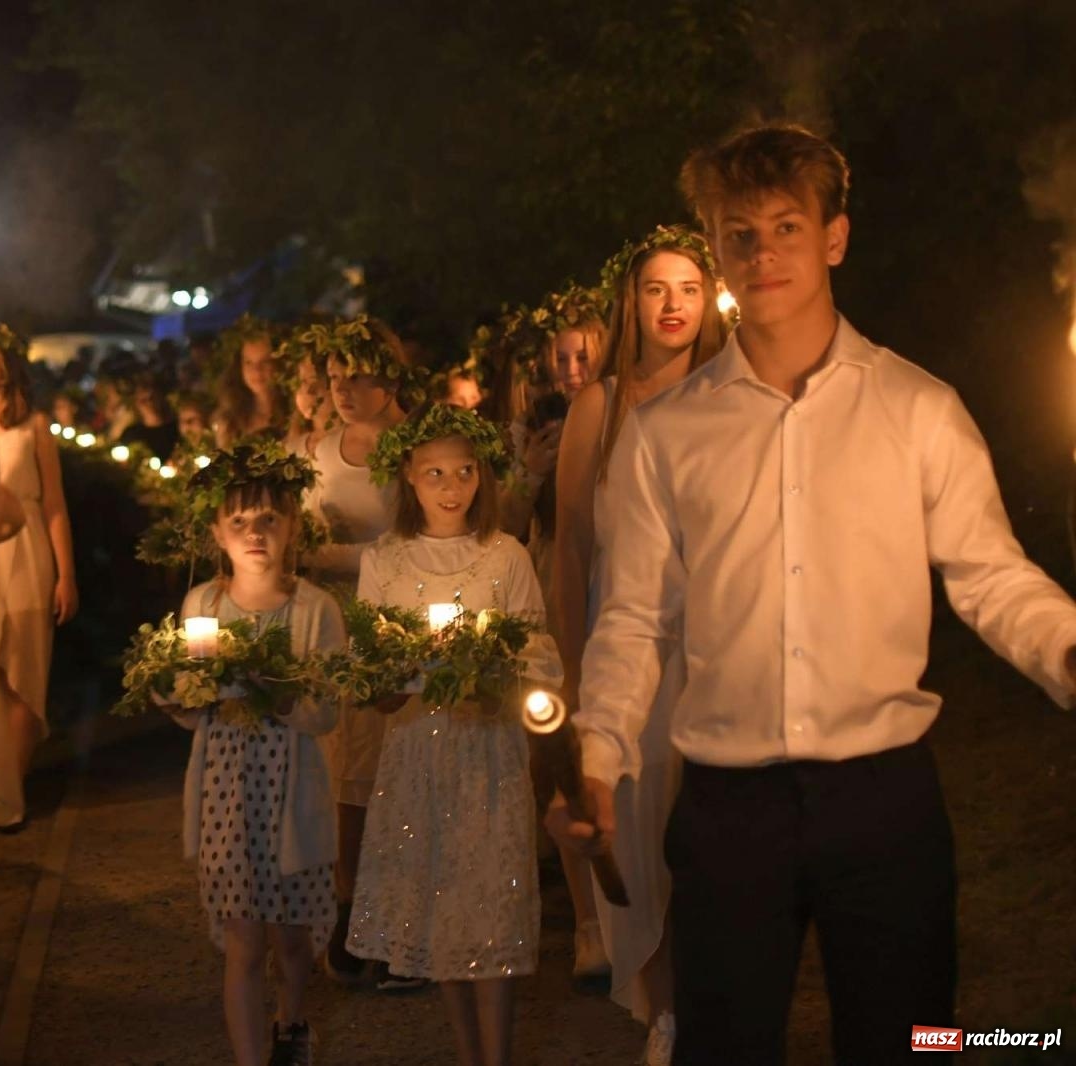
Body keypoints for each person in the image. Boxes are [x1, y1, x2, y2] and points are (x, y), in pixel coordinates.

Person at [569, 124, 1076, 1065]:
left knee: (915, 1043)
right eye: (739, 232)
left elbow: (989, 573)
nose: (763, 253)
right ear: (715, 246)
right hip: (726, 811)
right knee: (722, 1044)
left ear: (834, 237)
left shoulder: (918, 408)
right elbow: (635, 618)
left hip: (885, 798)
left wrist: (1067, 649)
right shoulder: (666, 435)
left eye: (786, 227)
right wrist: (599, 756)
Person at [551, 226, 727, 1064]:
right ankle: (661, 1016)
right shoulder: (604, 403)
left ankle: (714, 1003)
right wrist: (571, 651)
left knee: (715, 827)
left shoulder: (736, 391)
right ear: (633, 302)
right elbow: (574, 539)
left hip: (718, 639)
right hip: (627, 640)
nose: (673, 306)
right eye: (657, 289)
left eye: (689, 288)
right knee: (639, 818)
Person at [348, 403, 562, 1066]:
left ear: (482, 477)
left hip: (487, 755)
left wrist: (493, 671)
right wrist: (401, 673)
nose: (449, 486)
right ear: (408, 477)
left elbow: (538, 650)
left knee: (488, 913)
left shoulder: (505, 555)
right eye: (434, 473)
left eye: (463, 471)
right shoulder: (386, 558)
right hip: (418, 755)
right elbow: (371, 675)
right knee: (442, 912)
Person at [164, 443, 343, 1066]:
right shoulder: (203, 608)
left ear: (293, 525)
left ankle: (291, 1019)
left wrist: (277, 690)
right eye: (238, 522)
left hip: (291, 793)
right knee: (243, 940)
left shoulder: (315, 610)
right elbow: (195, 707)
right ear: (216, 531)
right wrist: (176, 697)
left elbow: (327, 710)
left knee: (291, 941)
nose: (255, 533)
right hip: (227, 792)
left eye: (269, 519)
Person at [296, 315, 414, 988]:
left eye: (356, 376)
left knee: (383, 771)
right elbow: (304, 527)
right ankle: (345, 909)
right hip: (332, 620)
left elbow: (419, 538)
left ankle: (388, 914)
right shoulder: (321, 448)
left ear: (388, 375)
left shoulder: (413, 444)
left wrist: (335, 551)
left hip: (391, 620)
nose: (341, 389)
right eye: (333, 377)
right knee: (340, 769)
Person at [0, 319, 78, 847]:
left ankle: (11, 794)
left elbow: (53, 503)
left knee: (24, 674)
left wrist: (66, 572)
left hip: (26, 550)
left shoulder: (34, 424)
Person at [215, 319, 289, 447]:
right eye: (249, 362)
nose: (256, 370)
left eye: (265, 361)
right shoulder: (230, 421)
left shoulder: (295, 413)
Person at [279, 335, 334, 459]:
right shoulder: (290, 449)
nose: (308, 391)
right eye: (303, 381)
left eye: (315, 381)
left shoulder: (354, 445)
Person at [118, 373, 182, 461]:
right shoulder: (131, 435)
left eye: (152, 397)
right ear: (136, 404)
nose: (149, 403)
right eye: (143, 400)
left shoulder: (179, 427)